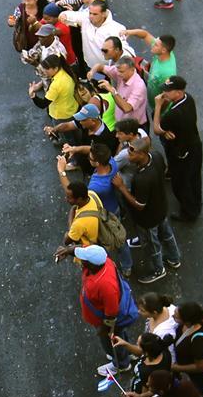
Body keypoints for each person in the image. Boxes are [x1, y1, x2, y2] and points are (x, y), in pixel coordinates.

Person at [113, 137, 181, 283]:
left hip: (148, 218)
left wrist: (122, 187)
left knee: (152, 245)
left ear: (142, 154)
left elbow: (139, 205)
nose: (128, 156)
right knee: (167, 234)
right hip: (161, 207)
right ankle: (174, 259)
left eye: (132, 153)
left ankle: (158, 270)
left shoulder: (142, 178)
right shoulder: (156, 156)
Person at [68, 245, 136, 375]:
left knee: (111, 340)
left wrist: (103, 329)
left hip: (105, 322)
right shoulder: (105, 261)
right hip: (102, 316)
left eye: (84, 260)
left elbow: (111, 313)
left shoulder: (106, 286)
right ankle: (127, 352)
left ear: (91, 265)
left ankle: (121, 364)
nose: (81, 260)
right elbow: (83, 251)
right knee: (120, 335)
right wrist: (68, 251)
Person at [154, 76, 203, 222]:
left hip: (182, 153)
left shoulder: (174, 114)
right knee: (194, 179)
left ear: (179, 92)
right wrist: (165, 131)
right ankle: (196, 203)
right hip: (194, 146)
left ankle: (189, 213)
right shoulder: (189, 99)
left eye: (168, 91)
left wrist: (157, 106)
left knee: (181, 184)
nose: (164, 93)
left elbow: (156, 128)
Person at [59, 0, 127, 69]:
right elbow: (73, 15)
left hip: (107, 69)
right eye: (90, 13)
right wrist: (64, 15)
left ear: (104, 14)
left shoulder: (116, 28)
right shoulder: (86, 19)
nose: (91, 16)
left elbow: (124, 50)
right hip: (88, 65)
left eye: (95, 14)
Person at [90, 56, 148, 127]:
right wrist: (92, 72)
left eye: (121, 72)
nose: (118, 74)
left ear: (132, 69)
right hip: (121, 123)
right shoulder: (119, 70)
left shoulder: (138, 86)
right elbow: (100, 66)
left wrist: (112, 91)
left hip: (134, 127)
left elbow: (127, 108)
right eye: (118, 71)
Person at [28, 55, 79, 136]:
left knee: (66, 136)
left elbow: (43, 104)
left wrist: (33, 95)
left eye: (47, 69)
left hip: (60, 115)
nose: (44, 71)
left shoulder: (56, 85)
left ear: (55, 68)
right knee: (73, 131)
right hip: (72, 108)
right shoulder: (66, 72)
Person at [122, 29, 177, 102]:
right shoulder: (165, 53)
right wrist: (129, 32)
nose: (152, 44)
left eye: (156, 45)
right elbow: (145, 35)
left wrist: (157, 110)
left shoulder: (166, 73)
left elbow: (168, 97)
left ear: (163, 50)